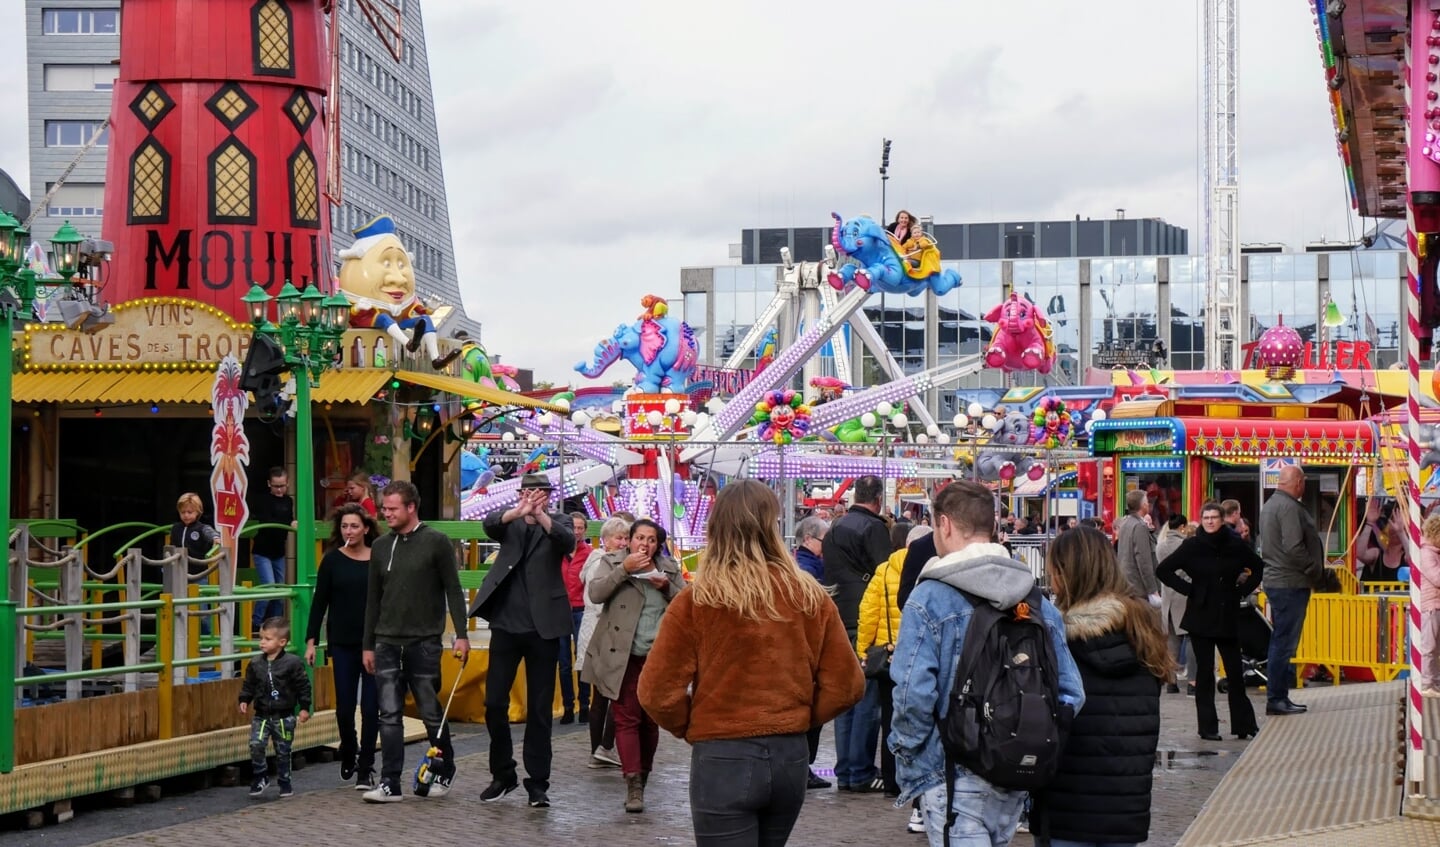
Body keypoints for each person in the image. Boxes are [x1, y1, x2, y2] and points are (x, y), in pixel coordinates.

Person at [639, 480, 864, 846]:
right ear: (772, 527)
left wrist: (694, 726)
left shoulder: (698, 601)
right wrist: (798, 718)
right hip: (788, 755)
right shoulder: (808, 595)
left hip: (723, 753)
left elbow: (656, 692)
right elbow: (847, 685)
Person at [890, 480, 1084, 846]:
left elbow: (912, 694)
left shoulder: (929, 596)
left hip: (950, 772)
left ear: (944, 525)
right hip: (1015, 771)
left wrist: (911, 752)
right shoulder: (1035, 598)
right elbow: (1072, 692)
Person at [1032, 526, 1172, 847]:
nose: (1051, 582)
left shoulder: (1057, 640)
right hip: (1127, 810)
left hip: (1067, 811)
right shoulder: (1143, 633)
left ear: (1066, 575)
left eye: (1053, 572)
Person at [361, 480, 470, 803]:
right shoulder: (380, 546)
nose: (387, 513)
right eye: (385, 508)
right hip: (386, 640)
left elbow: (453, 589)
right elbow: (373, 599)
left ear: (411, 507)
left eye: (393, 508)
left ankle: (443, 768)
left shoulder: (437, 542)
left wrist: (461, 635)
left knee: (429, 710)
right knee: (389, 713)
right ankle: (389, 782)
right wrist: (368, 643)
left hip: (424, 641)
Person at [471, 473, 575, 808]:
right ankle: (503, 774)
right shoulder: (510, 521)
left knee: (540, 709)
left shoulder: (559, 522)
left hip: (543, 627)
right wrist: (518, 511)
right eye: (526, 491)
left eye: (538, 492)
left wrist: (542, 516)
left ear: (548, 495)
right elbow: (489, 526)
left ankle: (538, 783)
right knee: (494, 703)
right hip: (506, 624)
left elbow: (566, 542)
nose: (531, 497)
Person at [583, 519, 686, 813]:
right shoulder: (611, 561)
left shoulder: (668, 568)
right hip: (621, 654)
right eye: (639, 537)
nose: (644, 544)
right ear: (629, 540)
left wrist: (666, 586)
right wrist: (624, 569)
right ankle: (633, 783)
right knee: (626, 718)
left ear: (658, 544)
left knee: (649, 720)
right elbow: (595, 593)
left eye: (651, 539)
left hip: (656, 656)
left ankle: (643, 774)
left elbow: (688, 604)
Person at [1158, 502, 1264, 741]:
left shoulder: (1236, 544)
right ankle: (1207, 727)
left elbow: (1258, 567)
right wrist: (1190, 589)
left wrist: (1242, 590)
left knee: (1235, 671)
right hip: (1201, 613)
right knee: (1204, 673)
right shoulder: (1192, 546)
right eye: (1205, 518)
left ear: (1222, 519)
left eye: (1214, 517)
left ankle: (1243, 724)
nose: (1209, 521)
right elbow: (1164, 570)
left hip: (1227, 612)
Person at [822, 474, 892, 793]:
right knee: (867, 697)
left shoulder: (835, 527)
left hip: (839, 614)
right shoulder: (874, 527)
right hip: (867, 617)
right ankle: (861, 769)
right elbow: (885, 572)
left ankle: (846, 769)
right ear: (877, 498)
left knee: (845, 697)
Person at [305, 503, 380, 789]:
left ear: (366, 529)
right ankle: (349, 749)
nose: (349, 531)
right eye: (345, 526)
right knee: (345, 708)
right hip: (342, 643)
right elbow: (319, 602)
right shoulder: (332, 560)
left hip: (373, 643)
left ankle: (366, 767)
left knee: (372, 708)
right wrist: (312, 641)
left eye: (355, 526)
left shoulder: (378, 558)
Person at [857, 522, 918, 799]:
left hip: (888, 654)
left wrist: (862, 651)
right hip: (917, 653)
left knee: (889, 718)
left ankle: (891, 780)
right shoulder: (927, 568)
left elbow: (868, 614)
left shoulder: (882, 572)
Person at [1258, 465, 1323, 716]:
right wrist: (1313, 570)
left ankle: (1279, 695)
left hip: (1282, 580)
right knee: (1284, 643)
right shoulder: (1287, 507)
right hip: (1289, 582)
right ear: (1297, 482)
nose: (1304, 486)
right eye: (1304, 481)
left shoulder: (1272, 504)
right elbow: (1294, 547)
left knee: (1281, 641)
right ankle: (1277, 697)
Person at [577, 516, 629, 768]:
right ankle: (603, 747)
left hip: (600, 632)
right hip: (602, 633)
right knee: (612, 693)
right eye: (619, 538)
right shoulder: (602, 562)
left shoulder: (599, 559)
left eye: (625, 538)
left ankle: (599, 750)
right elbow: (596, 599)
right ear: (606, 540)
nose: (623, 542)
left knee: (602, 695)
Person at [239, 617, 311, 798]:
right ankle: (260, 776)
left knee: (283, 750)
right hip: (261, 714)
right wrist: (245, 699)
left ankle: (285, 781)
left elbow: (303, 686)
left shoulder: (292, 663)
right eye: (261, 638)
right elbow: (249, 684)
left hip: (284, 716)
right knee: (256, 744)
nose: (262, 642)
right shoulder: (255, 663)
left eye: (267, 639)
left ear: (282, 642)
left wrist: (304, 708)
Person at [792, 515, 832, 788]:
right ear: (808, 539)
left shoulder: (806, 564)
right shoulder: (807, 569)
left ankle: (802, 766)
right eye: (823, 540)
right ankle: (801, 767)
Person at [1156, 514, 1197, 696]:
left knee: (1172, 640)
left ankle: (1171, 681)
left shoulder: (1160, 546)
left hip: (1167, 596)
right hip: (1185, 595)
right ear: (1182, 526)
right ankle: (1192, 682)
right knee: (1190, 638)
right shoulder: (1187, 545)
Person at [250, 467, 295, 634]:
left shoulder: (288, 501)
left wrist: (290, 523)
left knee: (280, 592)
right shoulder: (263, 500)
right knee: (269, 587)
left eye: (282, 485)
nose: (279, 489)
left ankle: (275, 626)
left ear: (288, 483)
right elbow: (267, 520)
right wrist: (288, 524)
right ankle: (256, 622)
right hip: (263, 550)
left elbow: (288, 519)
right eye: (276, 486)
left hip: (279, 552)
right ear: (269, 484)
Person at [560, 511, 595, 725]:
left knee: (582, 659)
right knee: (563, 662)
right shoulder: (558, 553)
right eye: (573, 527)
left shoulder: (590, 554)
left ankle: (584, 704)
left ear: (585, 530)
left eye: (580, 527)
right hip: (561, 611)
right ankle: (567, 706)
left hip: (582, 609)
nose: (576, 531)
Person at [170, 492, 220, 637]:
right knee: (179, 606)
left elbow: (211, 533)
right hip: (180, 573)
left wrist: (216, 538)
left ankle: (205, 637)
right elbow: (172, 546)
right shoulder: (176, 528)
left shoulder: (201, 528)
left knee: (201, 609)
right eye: (183, 512)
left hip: (199, 573)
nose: (186, 515)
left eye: (190, 512)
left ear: (198, 512)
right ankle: (182, 637)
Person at [1115, 489, 1162, 606]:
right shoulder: (1139, 526)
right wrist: (1153, 590)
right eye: (1146, 502)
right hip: (1139, 588)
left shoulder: (1125, 523)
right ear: (1142, 505)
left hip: (1127, 584)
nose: (1148, 504)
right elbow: (1143, 560)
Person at [1417, 514, 1440, 696]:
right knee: (1430, 646)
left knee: (1435, 647)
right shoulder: (1426, 554)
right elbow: (1436, 578)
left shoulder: (1433, 553)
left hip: (1436, 604)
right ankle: (1426, 683)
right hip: (1431, 605)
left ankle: (1434, 680)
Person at [794, 515, 828, 582]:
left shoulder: (795, 558)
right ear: (808, 539)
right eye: (825, 541)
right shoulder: (806, 570)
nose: (827, 545)